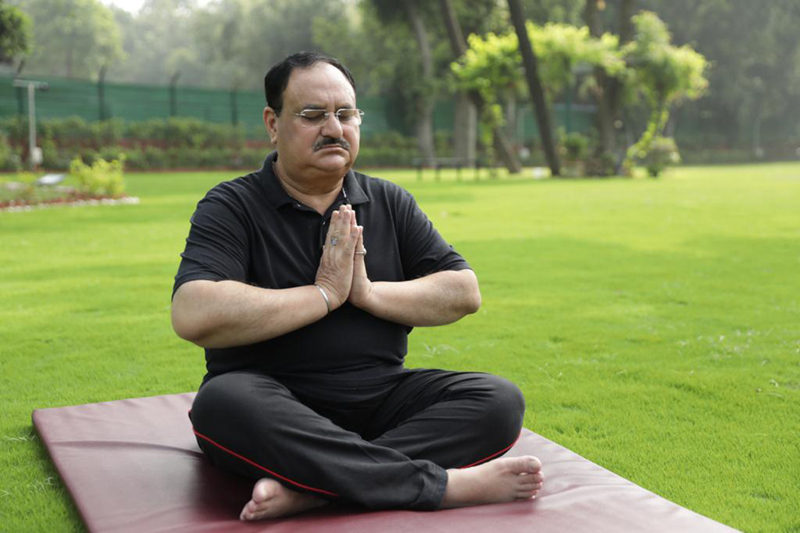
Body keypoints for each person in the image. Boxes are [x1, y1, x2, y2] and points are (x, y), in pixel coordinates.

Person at [171, 51, 544, 521]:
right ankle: (437, 485)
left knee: (497, 400)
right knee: (222, 404)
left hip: (381, 397)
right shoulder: (233, 205)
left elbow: (463, 292)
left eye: (346, 114)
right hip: (273, 400)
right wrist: (323, 294)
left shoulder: (388, 200)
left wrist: (367, 293)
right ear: (272, 123)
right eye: (313, 115)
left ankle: (316, 488)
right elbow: (192, 312)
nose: (334, 128)